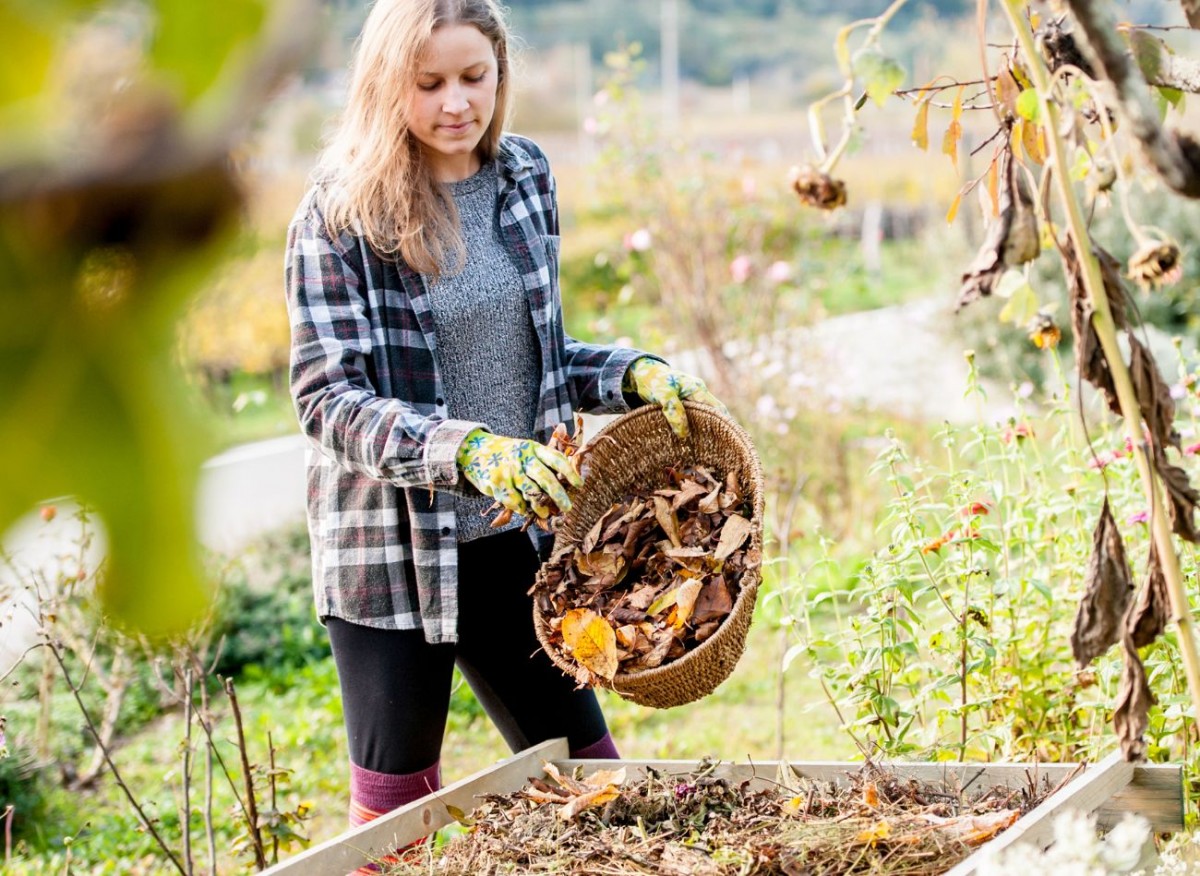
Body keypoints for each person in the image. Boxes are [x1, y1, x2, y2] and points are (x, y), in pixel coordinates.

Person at [284, 0, 725, 850]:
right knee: (395, 821)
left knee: (594, 782)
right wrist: (469, 452)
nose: (458, 103)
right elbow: (328, 402)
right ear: (387, 84)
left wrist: (627, 372)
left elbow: (541, 353)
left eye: (475, 78)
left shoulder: (522, 176)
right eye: (431, 83)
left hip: (516, 546)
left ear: (500, 74)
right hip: (395, 563)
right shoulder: (340, 217)